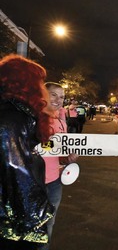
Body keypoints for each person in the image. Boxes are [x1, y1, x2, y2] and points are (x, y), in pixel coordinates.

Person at [0, 55, 54, 249]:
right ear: (27, 85)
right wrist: (37, 220)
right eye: (40, 82)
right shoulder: (13, 120)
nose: (44, 89)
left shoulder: (17, 117)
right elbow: (18, 173)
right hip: (13, 230)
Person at [40, 83, 79, 250]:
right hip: (34, 181)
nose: (58, 99)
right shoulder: (33, 117)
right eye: (53, 95)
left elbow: (59, 152)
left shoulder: (60, 119)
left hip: (55, 181)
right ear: (43, 95)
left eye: (62, 96)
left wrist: (67, 158)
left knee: (49, 224)